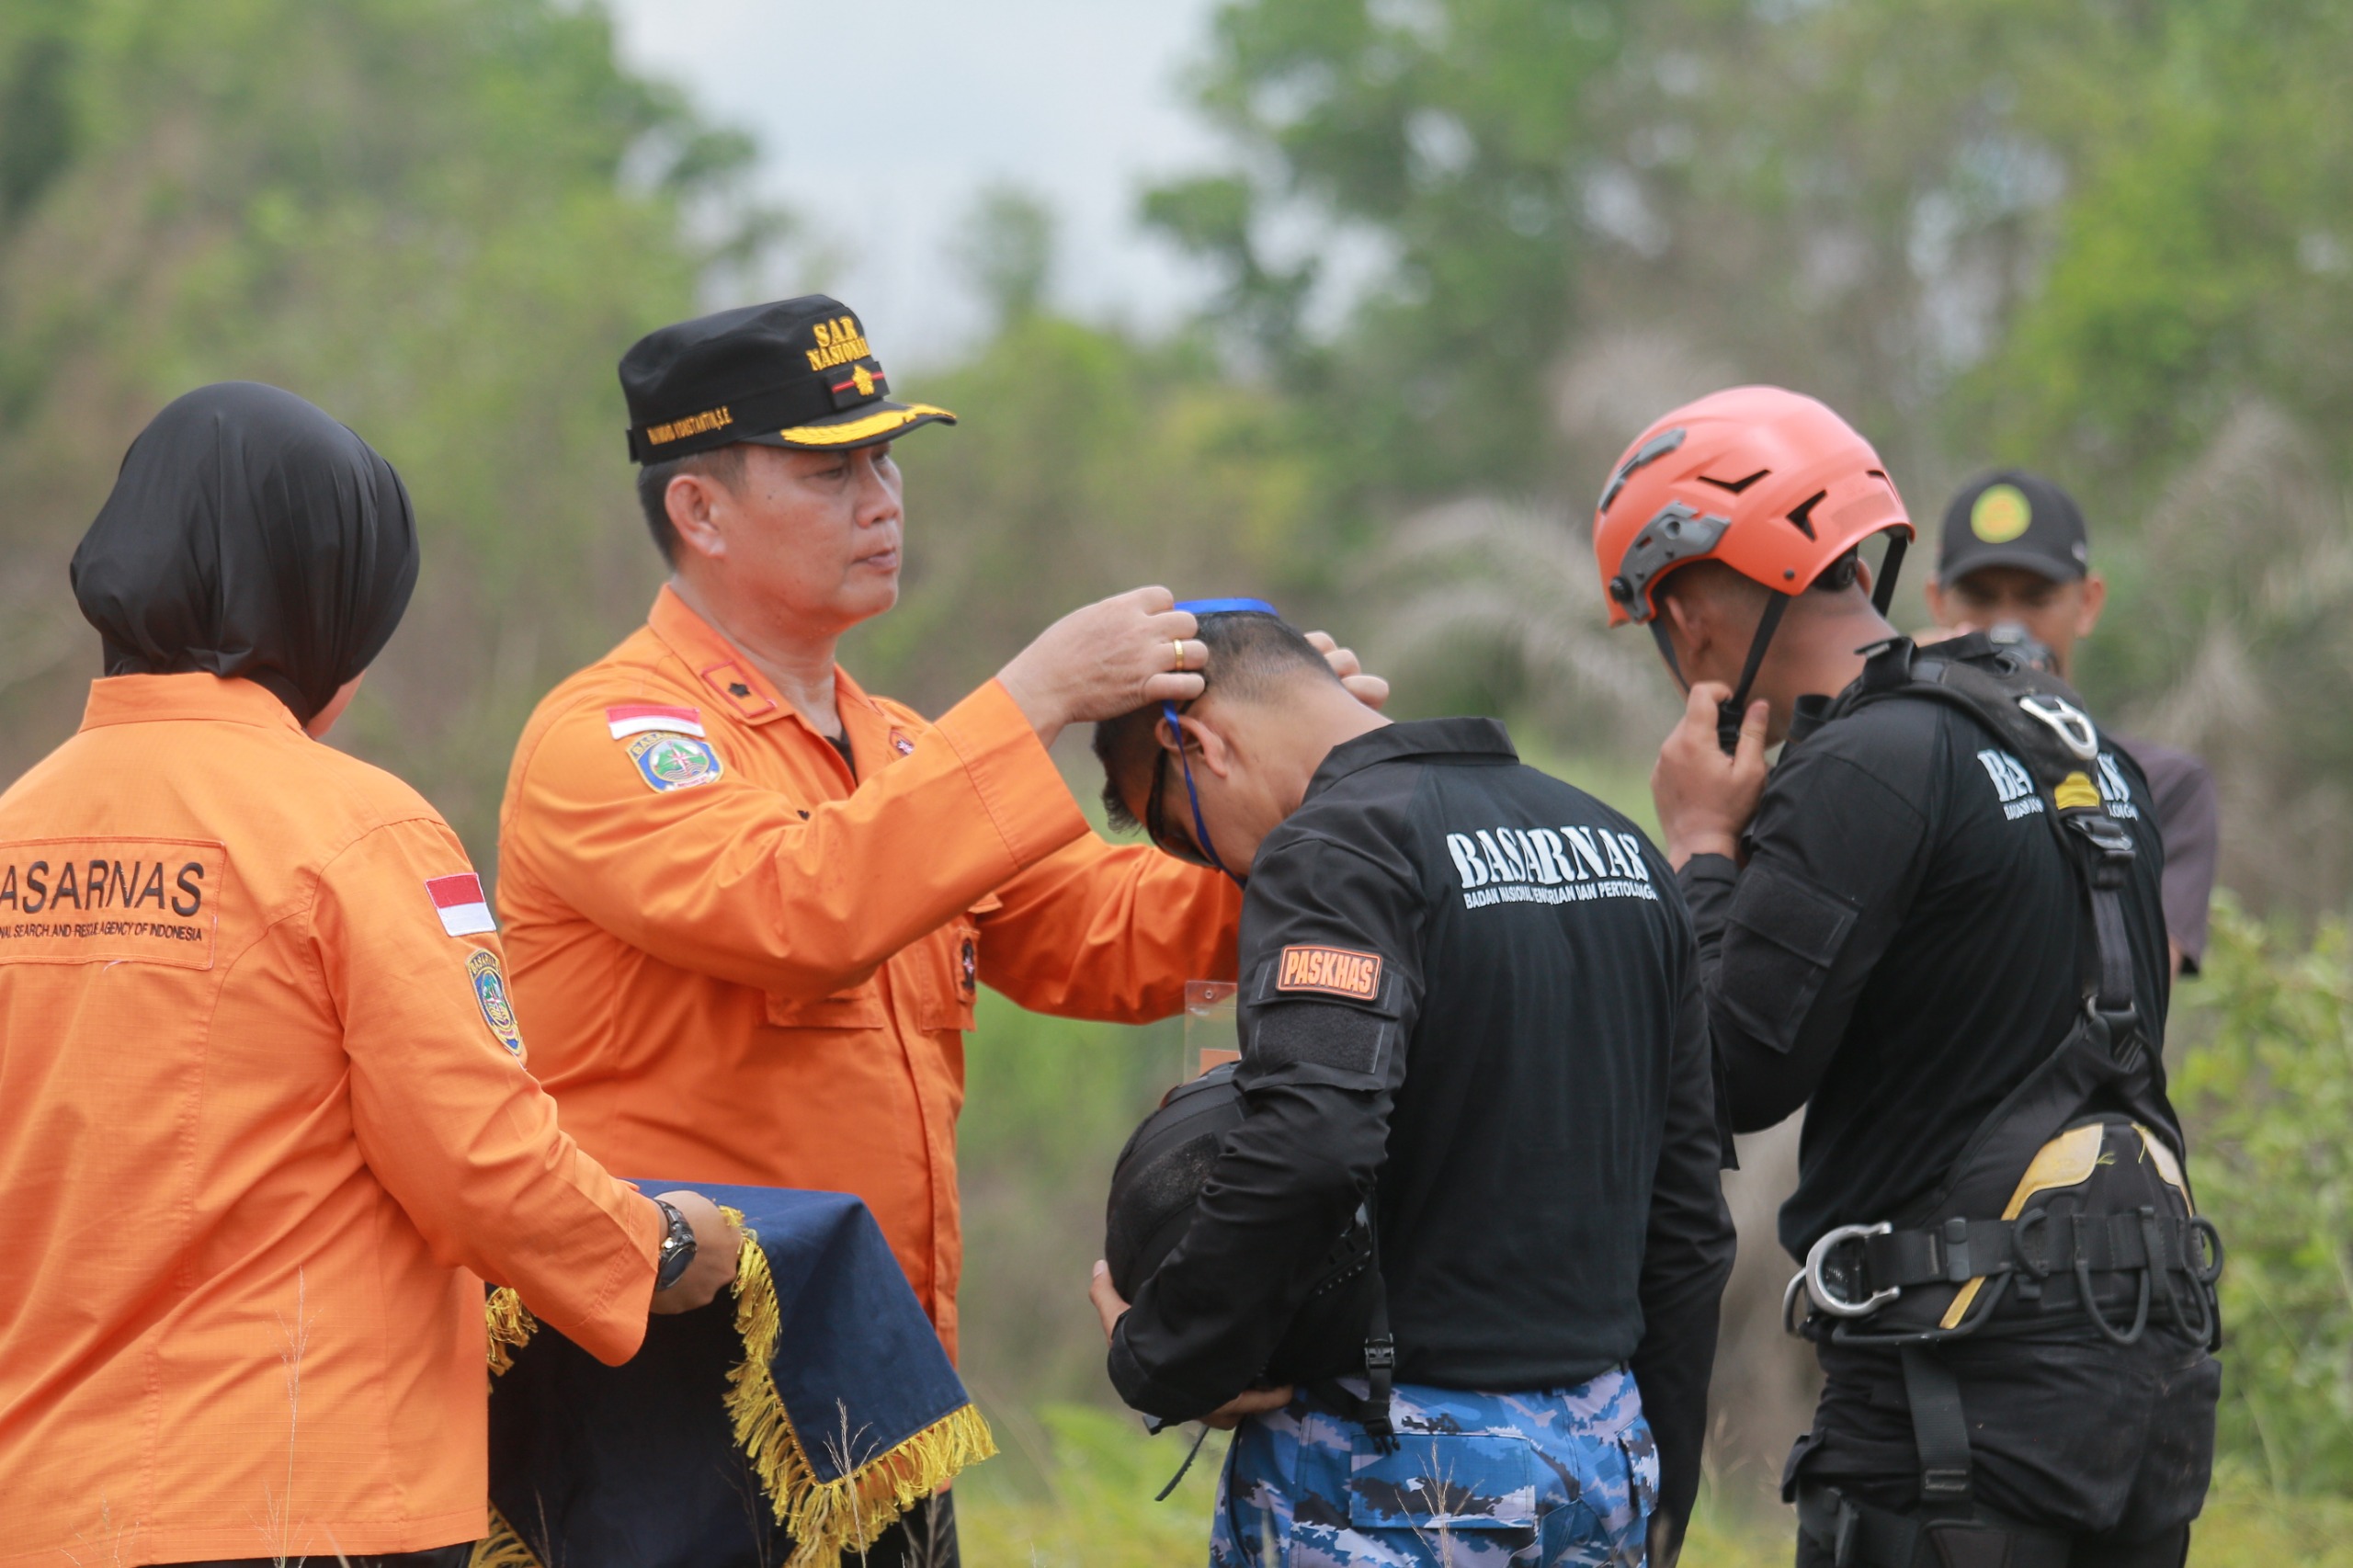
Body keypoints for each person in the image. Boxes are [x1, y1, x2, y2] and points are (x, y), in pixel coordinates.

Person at [494, 298, 1381, 1566]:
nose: (881, 495)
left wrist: (1298, 788)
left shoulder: (903, 747)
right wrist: (1034, 697)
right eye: (829, 466)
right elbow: (801, 904)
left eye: (886, 456)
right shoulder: (613, 735)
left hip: (878, 1375)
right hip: (670, 1387)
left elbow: (1112, 934)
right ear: (699, 510)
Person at [0, 383, 737, 1568]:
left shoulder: (16, 829)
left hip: (37, 1512)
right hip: (301, 1495)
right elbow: (475, 1155)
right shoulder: (361, 833)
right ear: (317, 603)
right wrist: (653, 1249)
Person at [1601, 387, 2218, 1563]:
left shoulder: (1865, 763)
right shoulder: (2076, 745)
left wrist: (1698, 846)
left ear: (1685, 618)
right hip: (2147, 1379)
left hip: (1955, 1405)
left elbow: (1731, 1068)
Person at [1084, 603, 1734, 1566]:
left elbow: (1312, 1137)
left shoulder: (1333, 848)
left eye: (1179, 834)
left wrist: (1166, 1355)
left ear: (1197, 740)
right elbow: (1686, 1214)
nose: (1215, 866)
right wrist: (1662, 1501)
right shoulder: (1616, 846)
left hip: (1396, 1480)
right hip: (1604, 1462)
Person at [1924, 471, 2221, 973]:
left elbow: (2143, 981)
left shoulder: (2158, 785)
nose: (2005, 629)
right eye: (1979, 598)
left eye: (2036, 598)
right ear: (1937, 603)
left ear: (2088, 602)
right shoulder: (1908, 762)